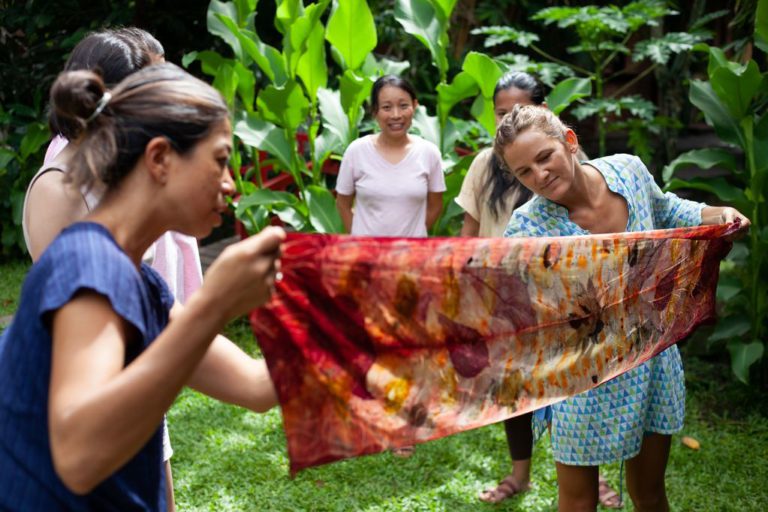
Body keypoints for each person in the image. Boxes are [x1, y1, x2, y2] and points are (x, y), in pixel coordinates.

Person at [0, 63, 285, 509]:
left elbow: (255, 386)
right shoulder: (88, 265)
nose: (230, 184)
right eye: (221, 160)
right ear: (159, 160)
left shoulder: (141, 282)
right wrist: (214, 304)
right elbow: (78, 456)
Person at [495, 104, 749, 512]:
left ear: (570, 142)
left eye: (545, 157)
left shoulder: (627, 170)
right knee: (578, 501)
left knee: (648, 493)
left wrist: (716, 214)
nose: (539, 174)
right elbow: (519, 308)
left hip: (650, 358)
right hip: (582, 374)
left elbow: (666, 210)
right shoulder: (529, 228)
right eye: (525, 172)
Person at [21, 28, 189, 509]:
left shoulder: (124, 176)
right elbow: (85, 328)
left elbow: (150, 298)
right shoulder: (60, 192)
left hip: (135, 396)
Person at [457, 71, 622, 508]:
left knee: (581, 388)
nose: (508, 119)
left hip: (565, 299)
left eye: (517, 111)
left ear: (542, 113)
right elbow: (471, 232)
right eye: (500, 113)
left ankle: (594, 475)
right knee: (516, 388)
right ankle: (520, 473)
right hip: (508, 293)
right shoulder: (484, 166)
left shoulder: (570, 161)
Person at [335, 75, 446, 238]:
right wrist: (359, 239)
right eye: (386, 107)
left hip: (411, 255)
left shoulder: (429, 153)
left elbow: (436, 206)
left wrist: (414, 234)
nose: (396, 115)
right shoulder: (356, 151)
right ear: (374, 111)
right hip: (367, 255)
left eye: (403, 106)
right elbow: (342, 204)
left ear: (414, 106)